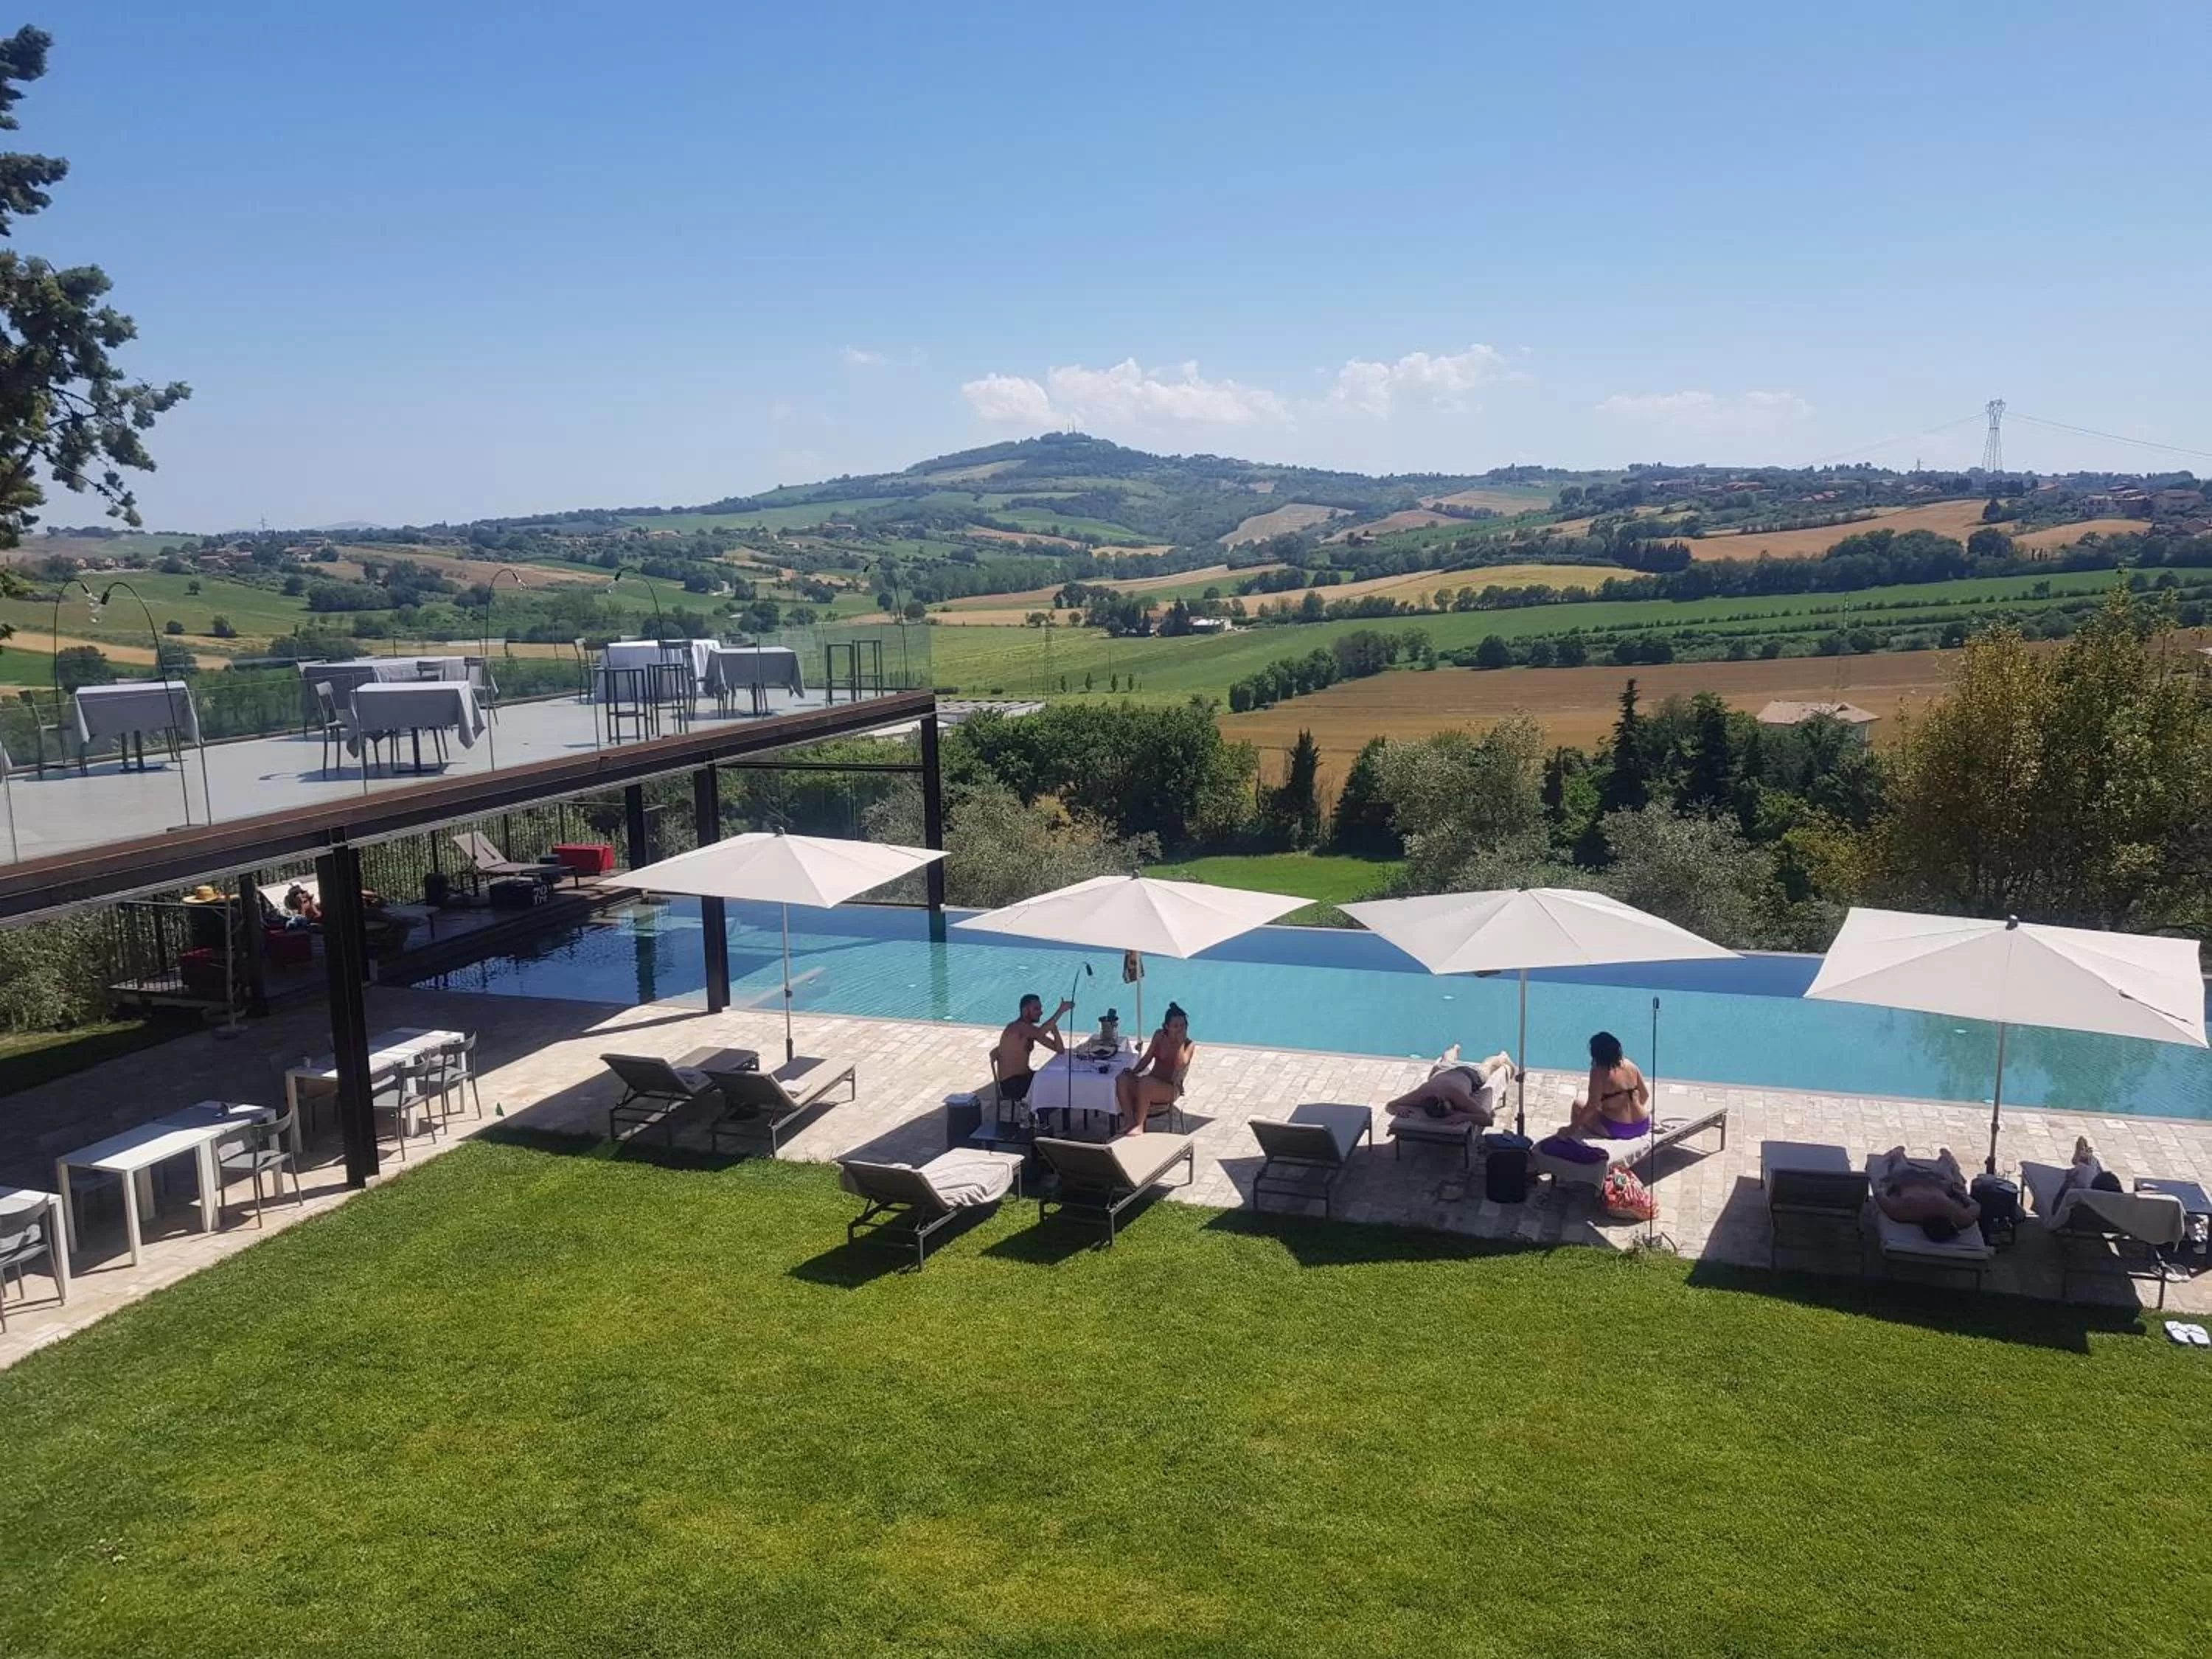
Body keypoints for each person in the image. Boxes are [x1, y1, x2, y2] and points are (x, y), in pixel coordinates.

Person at [1385, 1046, 1517, 1127]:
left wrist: (1463, 1116)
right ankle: (1455, 1048)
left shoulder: (1457, 1096)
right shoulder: (1421, 1095)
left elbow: (1487, 1120)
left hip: (1469, 1073)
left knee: (1488, 1066)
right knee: (1447, 1062)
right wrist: (1399, 1108)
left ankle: (1502, 1057)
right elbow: (1390, 1105)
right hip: (1443, 1072)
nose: (1453, 1111)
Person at [1116, 1003, 1194, 1136]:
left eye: (1183, 1026)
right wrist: (1133, 1072)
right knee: (1122, 1079)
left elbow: (1179, 1064)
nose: (1180, 1029)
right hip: (1150, 1083)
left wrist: (1179, 1043)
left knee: (1146, 1083)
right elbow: (1147, 1058)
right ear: (1166, 1027)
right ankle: (1130, 1121)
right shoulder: (1159, 1036)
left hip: (1170, 1089)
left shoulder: (1189, 1045)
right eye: (1176, 1026)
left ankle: (1140, 1125)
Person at [1565, 1030, 1650, 1140]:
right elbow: (1645, 1095)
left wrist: (1571, 1128)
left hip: (1617, 1128)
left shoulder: (1598, 1072)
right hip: (1642, 1124)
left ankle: (1573, 1139)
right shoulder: (1630, 1065)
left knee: (1577, 1105)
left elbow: (1592, 1105)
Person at [994, 992, 1074, 1108]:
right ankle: (1038, 1120)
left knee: (1057, 1082)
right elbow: (1041, 1032)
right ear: (1025, 1011)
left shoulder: (1030, 1031)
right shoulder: (1018, 1027)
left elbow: (1059, 1049)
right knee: (1054, 1088)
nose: (1041, 1012)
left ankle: (1039, 1118)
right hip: (1012, 1084)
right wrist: (1061, 1011)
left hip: (1025, 1077)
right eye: (1036, 1009)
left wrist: (1055, 1030)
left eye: (1040, 1008)